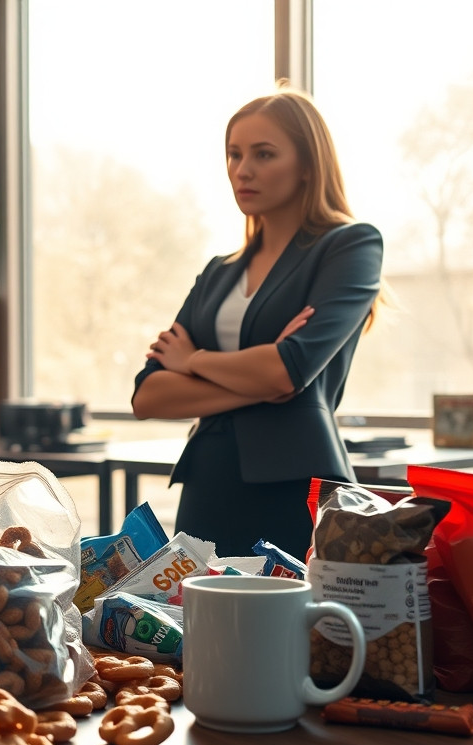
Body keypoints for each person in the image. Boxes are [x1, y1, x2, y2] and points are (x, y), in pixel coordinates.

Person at [132, 88, 382, 559]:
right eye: (234, 154)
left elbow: (288, 369)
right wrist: (264, 382)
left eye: (263, 154)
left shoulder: (350, 246)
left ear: (308, 164)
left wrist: (196, 360)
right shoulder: (218, 272)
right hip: (206, 484)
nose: (242, 170)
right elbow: (149, 395)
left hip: (294, 484)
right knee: (200, 627)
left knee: (290, 631)